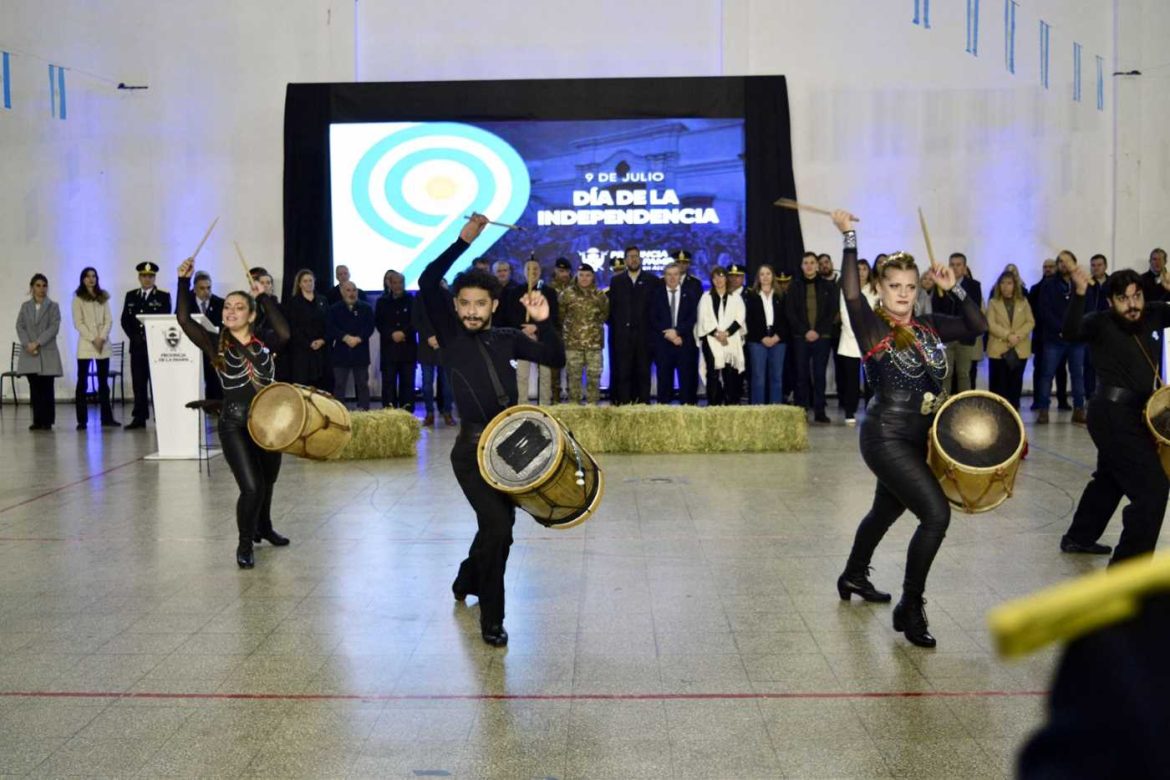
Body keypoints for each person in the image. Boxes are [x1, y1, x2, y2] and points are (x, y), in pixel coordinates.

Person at [831, 209, 987, 648]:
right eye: (893, 286)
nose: (902, 294)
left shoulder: (930, 326)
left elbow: (977, 327)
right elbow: (849, 292)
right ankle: (910, 606)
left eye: (910, 287)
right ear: (880, 288)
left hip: (923, 439)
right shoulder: (872, 326)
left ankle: (853, 574)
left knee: (886, 509)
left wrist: (953, 285)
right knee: (935, 515)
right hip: (885, 435)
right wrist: (849, 237)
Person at [419, 214, 565, 647]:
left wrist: (546, 318)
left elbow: (554, 358)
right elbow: (429, 280)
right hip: (470, 453)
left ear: (494, 306)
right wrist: (462, 241)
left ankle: (466, 577)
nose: (470, 311)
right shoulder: (451, 336)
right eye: (464, 303)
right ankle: (492, 620)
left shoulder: (507, 337)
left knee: (496, 529)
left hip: (513, 452)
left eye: (480, 304)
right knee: (499, 530)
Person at [175, 257, 290, 568]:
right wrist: (182, 282)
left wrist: (263, 295)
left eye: (239, 307)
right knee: (251, 486)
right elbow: (184, 320)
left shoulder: (265, 341)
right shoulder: (216, 344)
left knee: (268, 481)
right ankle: (244, 543)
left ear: (251, 315)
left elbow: (285, 332)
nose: (231, 311)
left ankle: (264, 527)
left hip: (269, 423)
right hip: (235, 423)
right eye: (227, 306)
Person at [1057, 266, 1170, 562]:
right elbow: (1068, 332)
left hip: (1139, 414)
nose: (1132, 304)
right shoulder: (1100, 323)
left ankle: (1078, 537)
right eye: (1123, 298)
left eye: (1137, 296)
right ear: (1110, 302)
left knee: (1110, 478)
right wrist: (1079, 294)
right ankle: (1127, 569)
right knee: (1153, 491)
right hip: (1110, 414)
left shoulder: (1154, 314)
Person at [1035, 250, 1087, 425]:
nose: (1064, 265)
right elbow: (1044, 310)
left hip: (1077, 339)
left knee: (1077, 375)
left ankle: (1079, 409)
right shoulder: (1049, 284)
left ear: (1074, 262)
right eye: (1061, 262)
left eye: (1067, 261)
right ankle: (1043, 410)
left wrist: (1074, 329)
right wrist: (1061, 329)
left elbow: (1085, 308)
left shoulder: (1080, 283)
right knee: (1047, 374)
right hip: (1054, 337)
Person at [785, 251, 837, 423]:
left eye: (812, 262)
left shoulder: (827, 286)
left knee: (819, 374)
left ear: (817, 265)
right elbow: (790, 313)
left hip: (822, 337)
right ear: (801, 266)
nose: (809, 265)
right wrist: (805, 331)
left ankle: (820, 410)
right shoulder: (795, 286)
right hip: (801, 337)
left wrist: (817, 331)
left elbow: (831, 312)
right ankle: (801, 409)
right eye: (805, 262)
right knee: (801, 374)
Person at [120, 261, 172, 429]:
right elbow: (125, 320)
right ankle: (139, 417)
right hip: (137, 347)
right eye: (144, 276)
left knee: (158, 384)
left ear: (154, 277)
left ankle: (161, 416)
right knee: (138, 384)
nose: (147, 279)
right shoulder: (131, 296)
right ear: (139, 277)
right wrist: (134, 336)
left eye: (150, 276)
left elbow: (165, 321)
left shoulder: (163, 296)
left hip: (155, 348)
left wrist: (152, 337)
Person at [606, 246, 658, 404]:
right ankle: (624, 409)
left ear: (640, 258)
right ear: (625, 260)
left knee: (643, 374)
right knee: (623, 375)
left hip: (645, 338)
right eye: (630, 256)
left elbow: (656, 310)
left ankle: (643, 409)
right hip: (623, 339)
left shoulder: (652, 280)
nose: (633, 259)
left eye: (636, 256)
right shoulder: (617, 281)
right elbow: (612, 310)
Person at [508, 257, 559, 405]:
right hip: (522, 337)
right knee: (522, 375)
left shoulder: (549, 292)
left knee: (545, 375)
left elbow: (554, 315)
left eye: (535, 269)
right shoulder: (515, 292)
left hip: (542, 339)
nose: (532, 272)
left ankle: (544, 407)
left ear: (540, 271)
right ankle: (522, 406)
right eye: (529, 269)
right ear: (523, 272)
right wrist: (523, 330)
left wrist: (537, 328)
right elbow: (511, 315)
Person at [72, 267, 119, 429]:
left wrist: (102, 337)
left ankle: (107, 418)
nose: (91, 279)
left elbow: (109, 320)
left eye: (94, 276)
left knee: (103, 383)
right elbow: (78, 323)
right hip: (86, 344)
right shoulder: (78, 298)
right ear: (83, 279)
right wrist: (93, 339)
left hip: (102, 344)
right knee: (82, 383)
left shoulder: (103, 297)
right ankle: (82, 420)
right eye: (87, 276)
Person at [16, 274, 62, 431]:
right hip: (30, 352)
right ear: (32, 287)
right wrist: (27, 344)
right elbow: (19, 326)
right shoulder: (25, 306)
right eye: (38, 285)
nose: (41, 289)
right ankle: (37, 420)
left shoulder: (53, 306)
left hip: (46, 352)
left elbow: (54, 328)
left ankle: (47, 421)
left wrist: (37, 342)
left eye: (44, 285)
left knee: (47, 388)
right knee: (34, 389)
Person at [835, 259, 878, 423]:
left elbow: (876, 313)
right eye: (857, 269)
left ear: (869, 271)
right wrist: (856, 330)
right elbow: (844, 312)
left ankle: (871, 409)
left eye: (864, 269)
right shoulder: (846, 288)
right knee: (850, 379)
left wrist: (867, 333)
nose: (860, 272)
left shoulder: (875, 290)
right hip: (850, 339)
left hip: (870, 340)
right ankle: (849, 411)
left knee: (870, 380)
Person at [559, 263, 609, 404]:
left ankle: (592, 409)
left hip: (594, 344)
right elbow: (561, 316)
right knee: (574, 378)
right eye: (581, 275)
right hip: (573, 344)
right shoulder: (567, 294)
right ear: (577, 276)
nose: (584, 278)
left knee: (594, 377)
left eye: (588, 275)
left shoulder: (600, 296)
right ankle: (575, 409)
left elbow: (604, 315)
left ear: (593, 277)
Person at [650, 262, 699, 404]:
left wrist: (677, 332)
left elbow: (693, 317)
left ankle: (687, 417)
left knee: (687, 384)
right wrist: (668, 334)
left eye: (675, 274)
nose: (672, 278)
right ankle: (664, 418)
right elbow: (653, 317)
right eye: (669, 274)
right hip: (663, 345)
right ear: (664, 276)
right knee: (664, 385)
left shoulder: (689, 294)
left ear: (680, 276)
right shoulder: (656, 294)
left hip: (684, 344)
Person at [986, 269, 1035, 410]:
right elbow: (990, 324)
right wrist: (1008, 335)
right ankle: (996, 412)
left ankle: (1014, 412)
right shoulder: (993, 302)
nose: (1005, 286)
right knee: (998, 386)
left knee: (1015, 384)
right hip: (998, 349)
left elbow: (1030, 322)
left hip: (1019, 348)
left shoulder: (1023, 302)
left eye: (1009, 283)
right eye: (1002, 283)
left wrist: (1017, 336)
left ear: (1015, 285)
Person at [695, 267, 745, 405]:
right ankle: (714, 404)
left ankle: (730, 404)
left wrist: (727, 333)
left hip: (730, 339)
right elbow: (702, 319)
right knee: (712, 374)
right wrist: (717, 334)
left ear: (726, 278)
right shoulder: (706, 297)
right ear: (712, 280)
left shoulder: (736, 297)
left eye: (722, 276)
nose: (719, 280)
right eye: (715, 277)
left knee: (730, 373)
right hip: (711, 340)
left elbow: (740, 318)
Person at [935, 252, 983, 393]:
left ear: (964, 267)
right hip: (947, 337)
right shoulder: (940, 286)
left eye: (958, 265)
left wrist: (954, 287)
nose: (955, 268)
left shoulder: (974, 286)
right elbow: (937, 310)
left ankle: (964, 406)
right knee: (946, 374)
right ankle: (944, 407)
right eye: (952, 265)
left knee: (963, 374)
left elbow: (971, 306)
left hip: (965, 336)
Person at [744, 264, 788, 406]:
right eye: (762, 274)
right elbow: (749, 320)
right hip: (757, 341)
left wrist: (776, 337)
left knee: (777, 377)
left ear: (773, 276)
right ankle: (758, 410)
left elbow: (787, 319)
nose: (765, 277)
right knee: (758, 377)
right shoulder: (751, 295)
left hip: (778, 341)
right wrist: (763, 337)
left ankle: (775, 409)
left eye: (768, 273)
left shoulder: (781, 295)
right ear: (758, 277)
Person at [412, 289, 456, 427]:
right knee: (426, 384)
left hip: (445, 346)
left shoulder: (448, 295)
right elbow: (416, 319)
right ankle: (429, 413)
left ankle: (447, 412)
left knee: (448, 384)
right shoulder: (420, 297)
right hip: (427, 346)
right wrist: (428, 336)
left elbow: (453, 318)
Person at [328, 281, 375, 410]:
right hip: (341, 352)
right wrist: (345, 337)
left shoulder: (366, 308)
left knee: (362, 384)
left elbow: (370, 327)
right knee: (339, 385)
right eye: (348, 290)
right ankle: (339, 413)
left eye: (354, 290)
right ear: (342, 292)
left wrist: (359, 338)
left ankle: (365, 412)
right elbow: (331, 327)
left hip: (360, 351)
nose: (351, 293)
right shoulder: (334, 309)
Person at [1030, 258, 1069, 410]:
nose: (1048, 269)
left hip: (1060, 335)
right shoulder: (1036, 289)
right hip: (1041, 336)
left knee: (1061, 370)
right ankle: (1038, 400)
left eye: (1051, 267)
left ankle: (1062, 400)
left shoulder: (1064, 288)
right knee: (1040, 370)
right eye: (1045, 267)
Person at [375, 270, 417, 410]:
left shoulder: (412, 300)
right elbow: (379, 323)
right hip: (389, 350)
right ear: (390, 284)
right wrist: (391, 334)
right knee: (389, 385)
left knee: (408, 385)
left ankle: (407, 415)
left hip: (408, 350)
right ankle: (389, 415)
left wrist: (403, 333)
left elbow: (416, 321)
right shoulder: (382, 301)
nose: (398, 286)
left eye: (400, 283)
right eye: (395, 283)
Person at [285, 269, 332, 391]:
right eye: (305, 281)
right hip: (302, 353)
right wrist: (308, 343)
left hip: (321, 351)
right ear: (299, 284)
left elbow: (329, 324)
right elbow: (293, 327)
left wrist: (322, 340)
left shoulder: (323, 300)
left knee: (323, 386)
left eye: (310, 280)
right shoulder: (293, 303)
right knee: (303, 387)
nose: (308, 283)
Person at [188, 270, 225, 401]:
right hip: (192, 349)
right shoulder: (187, 302)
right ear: (194, 288)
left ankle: (215, 406)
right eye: (202, 288)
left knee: (214, 381)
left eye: (209, 288)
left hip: (212, 348)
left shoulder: (220, 303)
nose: (206, 291)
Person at [1082, 254, 1111, 397]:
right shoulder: (1086, 284)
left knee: (1109, 366)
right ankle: (1090, 396)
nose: (1096, 268)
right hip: (1090, 331)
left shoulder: (1113, 283)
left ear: (1105, 266)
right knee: (1089, 365)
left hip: (1109, 330)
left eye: (1099, 265)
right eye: (1093, 265)